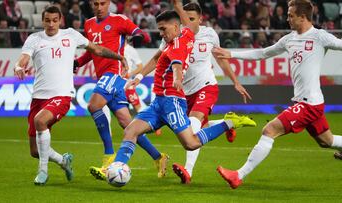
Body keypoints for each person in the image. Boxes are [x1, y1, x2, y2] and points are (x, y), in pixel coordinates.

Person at [111, 0, 256, 177]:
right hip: (159, 102)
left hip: (174, 101)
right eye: (159, 29)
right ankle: (116, 167)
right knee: (130, 130)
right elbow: (158, 57)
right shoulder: (185, 34)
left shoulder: (180, 44)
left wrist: (178, 78)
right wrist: (139, 78)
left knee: (192, 142)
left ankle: (229, 123)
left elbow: (177, 63)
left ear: (175, 26)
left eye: (163, 29)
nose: (161, 33)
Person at [212, 0, 342, 189]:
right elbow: (263, 53)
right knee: (326, 141)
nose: (287, 19)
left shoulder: (320, 37)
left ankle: (238, 175)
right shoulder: (289, 39)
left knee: (269, 130)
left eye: (291, 15)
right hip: (311, 102)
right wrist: (231, 54)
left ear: (303, 17)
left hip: (309, 104)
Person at [14, 5, 129, 185]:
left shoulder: (71, 35)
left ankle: (42, 172)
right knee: (35, 151)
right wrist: (18, 67)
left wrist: (118, 57)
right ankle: (63, 161)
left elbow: (97, 49)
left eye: (54, 20)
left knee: (40, 121)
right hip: (38, 97)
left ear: (60, 20)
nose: (51, 24)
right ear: (42, 21)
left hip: (62, 95)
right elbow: (23, 59)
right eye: (47, 20)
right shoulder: (34, 39)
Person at [73, 0, 168, 180]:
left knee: (94, 106)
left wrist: (139, 36)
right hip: (104, 77)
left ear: (108, 3)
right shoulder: (89, 24)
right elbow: (92, 51)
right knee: (128, 124)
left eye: (102, 3)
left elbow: (140, 33)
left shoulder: (120, 20)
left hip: (114, 74)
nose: (99, 7)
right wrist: (78, 62)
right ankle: (159, 157)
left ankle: (108, 158)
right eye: (95, 4)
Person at [170, 2, 252, 184]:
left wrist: (236, 82)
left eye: (192, 19)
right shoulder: (179, 35)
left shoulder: (209, 34)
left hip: (207, 86)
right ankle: (228, 123)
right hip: (186, 92)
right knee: (199, 129)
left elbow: (221, 60)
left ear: (200, 19)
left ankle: (188, 171)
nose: (188, 22)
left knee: (192, 126)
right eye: (185, 19)